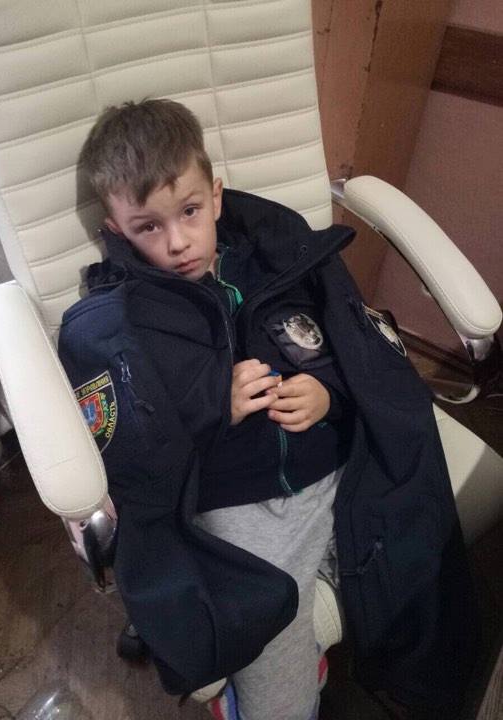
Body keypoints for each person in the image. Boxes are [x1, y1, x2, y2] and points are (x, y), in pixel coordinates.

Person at [59, 99, 477, 719]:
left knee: (421, 555)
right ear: (117, 229)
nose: (177, 242)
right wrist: (213, 405)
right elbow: (134, 449)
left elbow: (349, 344)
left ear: (216, 197)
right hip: (242, 509)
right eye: (148, 227)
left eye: (189, 211)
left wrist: (328, 395)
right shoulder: (122, 320)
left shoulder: (277, 255)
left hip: (339, 468)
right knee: (275, 654)